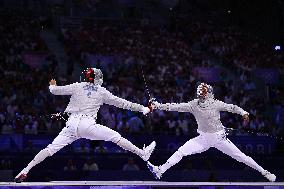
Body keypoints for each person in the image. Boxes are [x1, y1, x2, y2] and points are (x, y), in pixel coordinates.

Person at [15, 68, 156, 182]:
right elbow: (124, 103)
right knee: (115, 136)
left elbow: (54, 91)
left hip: (70, 125)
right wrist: (145, 109)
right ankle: (142, 154)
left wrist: (52, 84)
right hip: (87, 125)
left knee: (50, 149)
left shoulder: (77, 86)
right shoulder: (102, 91)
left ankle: (25, 170)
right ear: (98, 79)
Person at [147, 83, 276, 182]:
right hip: (203, 139)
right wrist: (158, 105)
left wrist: (244, 112)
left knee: (241, 157)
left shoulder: (215, 103)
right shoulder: (193, 105)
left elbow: (232, 107)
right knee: (181, 151)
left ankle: (265, 173)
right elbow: (174, 106)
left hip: (220, 138)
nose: (205, 95)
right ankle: (160, 170)